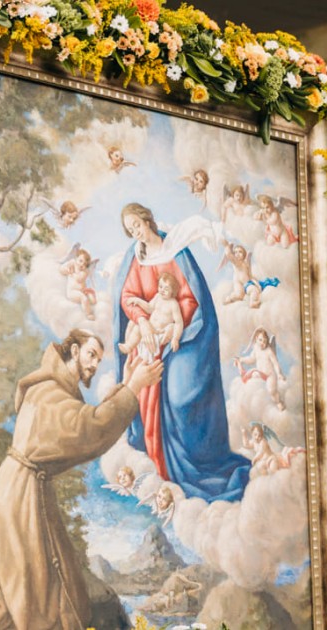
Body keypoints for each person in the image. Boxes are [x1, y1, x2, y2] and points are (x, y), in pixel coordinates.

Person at [0, 329, 163, 629]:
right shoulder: (48, 394)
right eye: (90, 355)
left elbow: (84, 422)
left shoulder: (53, 392)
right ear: (73, 351)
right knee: (31, 595)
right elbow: (90, 429)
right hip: (18, 503)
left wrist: (126, 385)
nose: (94, 365)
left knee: (31, 591)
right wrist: (133, 388)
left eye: (98, 360)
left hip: (23, 494)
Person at [115, 202, 251, 502]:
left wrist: (171, 330)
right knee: (140, 377)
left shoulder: (175, 250)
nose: (135, 232)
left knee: (180, 396)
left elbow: (192, 299)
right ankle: (157, 467)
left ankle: (197, 462)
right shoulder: (137, 257)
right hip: (150, 336)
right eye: (130, 229)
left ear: (147, 219)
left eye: (136, 224)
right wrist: (143, 322)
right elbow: (128, 297)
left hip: (186, 337)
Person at [118, 273, 185, 357]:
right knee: (134, 325)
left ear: (173, 291)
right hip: (151, 327)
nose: (162, 290)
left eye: (166, 289)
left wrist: (175, 338)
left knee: (138, 328)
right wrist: (138, 301)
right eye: (160, 286)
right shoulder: (158, 297)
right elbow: (149, 308)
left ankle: (130, 347)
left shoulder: (173, 304)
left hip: (160, 331)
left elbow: (179, 323)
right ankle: (128, 346)